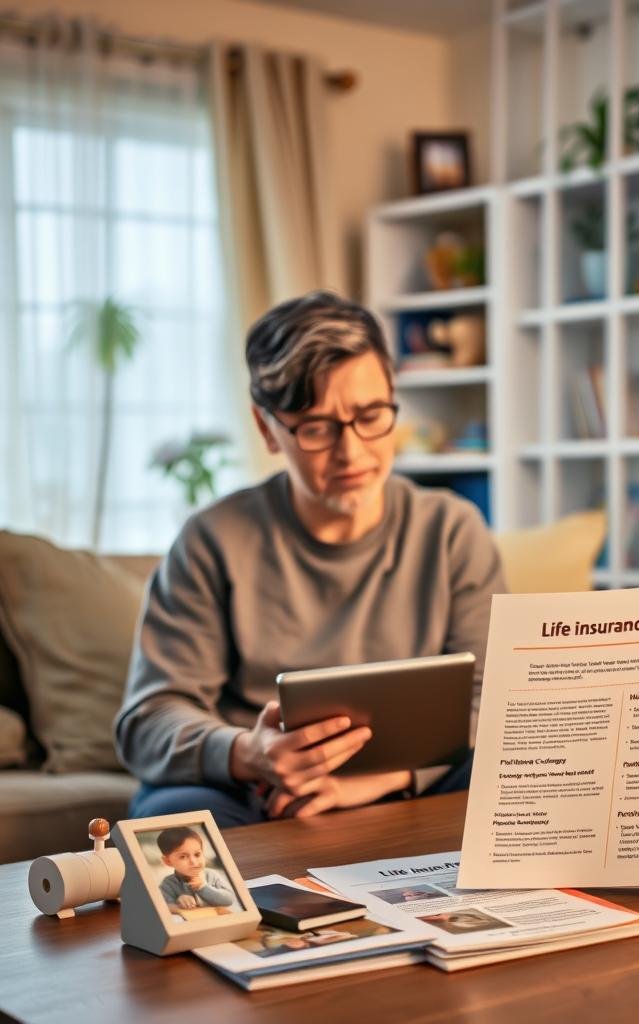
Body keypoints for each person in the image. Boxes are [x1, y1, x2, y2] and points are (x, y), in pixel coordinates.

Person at [115, 291, 505, 828]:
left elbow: (494, 701)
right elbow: (147, 720)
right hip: (260, 793)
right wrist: (249, 753)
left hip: (414, 782)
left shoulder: (452, 531)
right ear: (267, 429)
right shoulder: (212, 539)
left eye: (371, 415)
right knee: (170, 820)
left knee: (510, 772)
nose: (353, 453)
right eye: (317, 428)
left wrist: (375, 782)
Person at [156, 826, 235, 911]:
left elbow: (229, 899)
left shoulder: (212, 875)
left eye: (197, 854)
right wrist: (179, 902)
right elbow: (163, 908)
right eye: (183, 857)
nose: (193, 861)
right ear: (168, 861)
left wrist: (203, 887)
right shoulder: (168, 884)